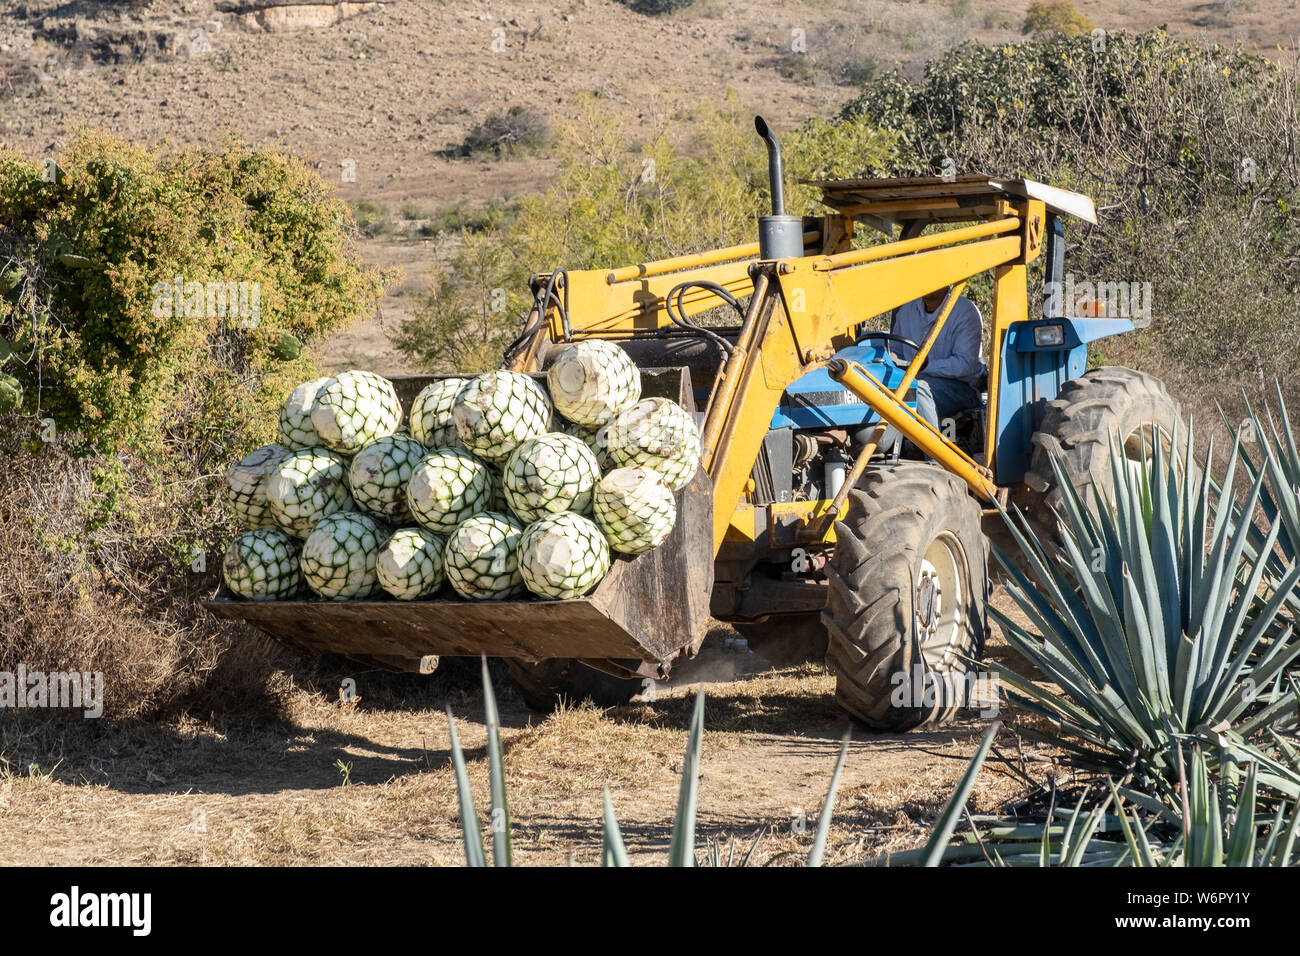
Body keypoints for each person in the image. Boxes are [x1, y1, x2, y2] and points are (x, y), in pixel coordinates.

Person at [886, 286, 987, 429]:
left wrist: (924, 366)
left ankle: (932, 450)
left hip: (961, 389)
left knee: (915, 391)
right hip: (912, 380)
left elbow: (965, 365)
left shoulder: (964, 311)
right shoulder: (905, 312)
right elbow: (896, 354)